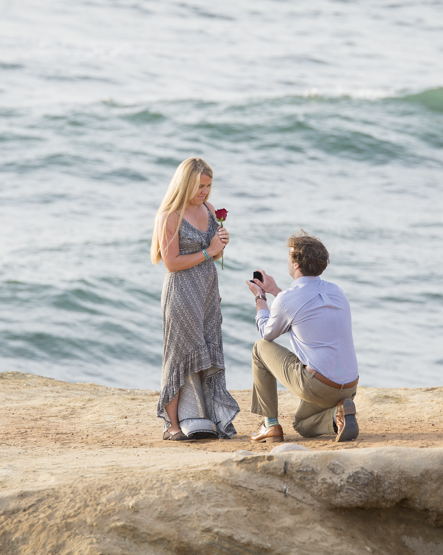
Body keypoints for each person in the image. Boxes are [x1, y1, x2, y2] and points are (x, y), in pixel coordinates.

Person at [151, 158, 240, 441]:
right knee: (178, 355)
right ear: (184, 184)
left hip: (207, 292)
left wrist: (221, 245)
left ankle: (210, 418)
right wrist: (208, 251)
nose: (204, 191)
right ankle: (172, 425)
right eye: (199, 186)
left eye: (209, 185)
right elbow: (171, 263)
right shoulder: (170, 216)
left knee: (209, 350)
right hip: (181, 292)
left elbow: (216, 254)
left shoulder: (209, 210)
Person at [245, 231, 359, 443]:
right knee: (302, 424)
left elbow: (267, 332)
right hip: (349, 386)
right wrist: (275, 290)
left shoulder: (287, 299)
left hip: (319, 386)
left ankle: (269, 425)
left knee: (259, 348)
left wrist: (260, 297)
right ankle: (338, 415)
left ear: (296, 264)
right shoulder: (337, 291)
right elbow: (301, 309)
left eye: (289, 256)